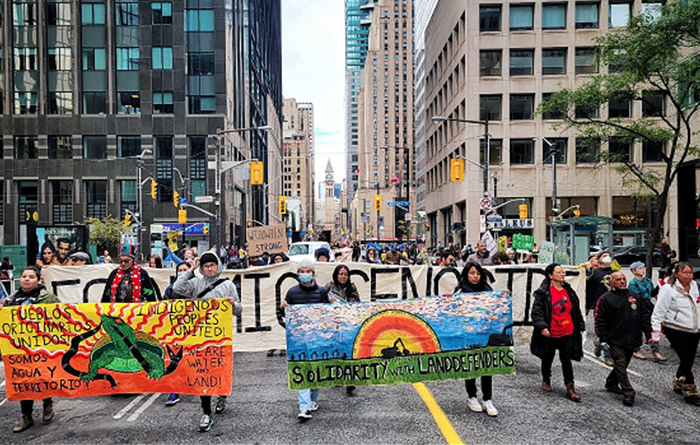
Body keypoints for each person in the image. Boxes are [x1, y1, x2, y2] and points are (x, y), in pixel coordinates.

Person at [173, 252, 242, 431]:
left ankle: (221, 395)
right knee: (203, 373)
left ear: (218, 266)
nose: (210, 268)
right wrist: (192, 269)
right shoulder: (196, 284)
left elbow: (239, 310)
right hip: (201, 336)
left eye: (212, 265)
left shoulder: (228, 285)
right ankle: (206, 412)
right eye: (206, 266)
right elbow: (177, 287)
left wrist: (232, 304)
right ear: (202, 268)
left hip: (221, 336)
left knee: (220, 369)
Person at [5, 266, 61, 432]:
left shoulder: (48, 298)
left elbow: (62, 317)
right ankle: (26, 416)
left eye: (31, 277)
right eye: (24, 276)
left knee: (43, 378)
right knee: (24, 381)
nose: (27, 279)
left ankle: (47, 404)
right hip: (20, 349)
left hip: (43, 347)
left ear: (38, 280)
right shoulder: (11, 300)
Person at [280, 258, 331, 421]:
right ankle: (304, 407)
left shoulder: (322, 292)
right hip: (300, 340)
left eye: (307, 271)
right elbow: (286, 316)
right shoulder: (292, 293)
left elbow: (327, 315)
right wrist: (283, 308)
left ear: (313, 273)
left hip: (317, 339)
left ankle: (313, 399)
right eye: (301, 272)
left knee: (316, 371)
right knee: (302, 370)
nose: (304, 274)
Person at [595, 272, 652, 406]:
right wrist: (602, 338)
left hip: (632, 338)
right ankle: (628, 392)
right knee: (620, 364)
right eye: (618, 280)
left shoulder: (635, 296)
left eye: (623, 279)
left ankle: (611, 382)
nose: (622, 282)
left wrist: (648, 333)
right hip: (614, 339)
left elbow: (644, 315)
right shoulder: (605, 299)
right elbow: (600, 319)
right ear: (611, 283)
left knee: (624, 364)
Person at [530, 263, 585, 402]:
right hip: (550, 332)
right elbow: (537, 312)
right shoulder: (543, 293)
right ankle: (546, 378)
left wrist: (580, 323)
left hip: (567, 331)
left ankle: (570, 387)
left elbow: (575, 309)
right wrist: (542, 326)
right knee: (547, 357)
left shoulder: (568, 290)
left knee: (566, 360)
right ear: (550, 275)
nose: (562, 274)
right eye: (559, 272)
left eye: (563, 272)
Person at [651, 262, 700, 404]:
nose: (688, 275)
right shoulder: (668, 289)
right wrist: (655, 332)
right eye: (684, 272)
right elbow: (658, 311)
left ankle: (679, 380)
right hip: (674, 327)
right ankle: (690, 390)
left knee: (689, 359)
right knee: (685, 357)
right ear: (676, 274)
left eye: (690, 272)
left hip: (693, 328)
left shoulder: (695, 286)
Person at [454, 262, 498, 416]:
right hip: (468, 335)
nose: (475, 276)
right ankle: (472, 396)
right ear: (466, 274)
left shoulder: (488, 290)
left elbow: (495, 307)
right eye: (472, 273)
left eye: (478, 273)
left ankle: (488, 399)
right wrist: (449, 300)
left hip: (485, 334)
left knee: (487, 365)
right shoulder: (460, 291)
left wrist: (503, 296)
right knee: (471, 365)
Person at [163, 261, 193, 407]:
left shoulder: (197, 286)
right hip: (177, 329)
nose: (182, 272)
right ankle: (174, 391)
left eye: (185, 270)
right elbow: (163, 306)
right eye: (179, 270)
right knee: (175, 361)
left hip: (195, 329)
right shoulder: (171, 288)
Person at [627, 261, 665, 362]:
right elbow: (637, 297)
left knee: (651, 329)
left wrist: (659, 287)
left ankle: (655, 351)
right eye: (639, 268)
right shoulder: (633, 283)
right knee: (637, 329)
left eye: (643, 268)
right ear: (633, 271)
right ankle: (636, 349)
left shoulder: (648, 281)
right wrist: (650, 306)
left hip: (647, 306)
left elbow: (652, 293)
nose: (642, 270)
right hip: (638, 307)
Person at [588, 251, 615, 366]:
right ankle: (607, 355)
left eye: (609, 255)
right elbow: (589, 289)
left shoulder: (615, 272)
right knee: (603, 329)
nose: (607, 257)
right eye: (604, 256)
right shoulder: (594, 273)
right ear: (598, 259)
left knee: (613, 330)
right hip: (600, 305)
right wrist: (589, 303)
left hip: (614, 304)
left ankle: (599, 342)